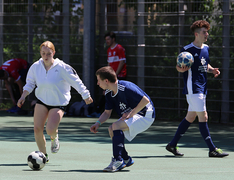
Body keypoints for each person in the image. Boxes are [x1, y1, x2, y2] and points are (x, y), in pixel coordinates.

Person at [17, 41, 93, 162]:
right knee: (37, 129)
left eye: (48, 53)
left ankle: (54, 136)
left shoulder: (63, 67)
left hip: (58, 103)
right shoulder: (35, 67)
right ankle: (43, 156)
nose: (46, 56)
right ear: (40, 53)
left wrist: (85, 95)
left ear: (54, 53)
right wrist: (23, 96)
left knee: (50, 130)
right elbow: (30, 83)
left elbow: (76, 81)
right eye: (43, 53)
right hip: (42, 101)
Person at [166, 20, 229, 158]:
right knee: (203, 116)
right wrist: (180, 69)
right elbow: (178, 66)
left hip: (202, 87)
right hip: (193, 88)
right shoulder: (187, 50)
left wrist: (212, 70)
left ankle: (172, 144)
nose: (206, 34)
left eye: (207, 31)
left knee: (191, 116)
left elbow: (204, 65)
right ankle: (212, 149)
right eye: (204, 32)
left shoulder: (206, 48)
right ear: (196, 34)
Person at [90, 66, 155, 172]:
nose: (97, 83)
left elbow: (145, 100)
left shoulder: (126, 87)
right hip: (134, 114)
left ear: (106, 81)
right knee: (111, 129)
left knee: (116, 126)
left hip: (146, 114)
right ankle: (126, 158)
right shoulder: (108, 93)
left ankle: (118, 160)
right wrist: (98, 123)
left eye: (98, 80)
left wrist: (131, 113)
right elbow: (107, 113)